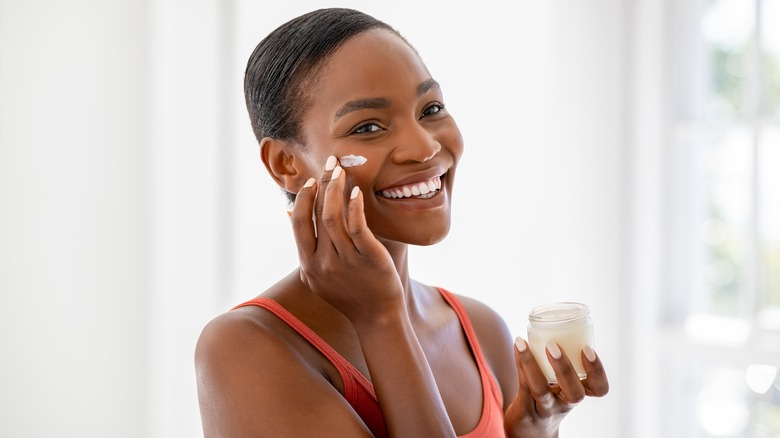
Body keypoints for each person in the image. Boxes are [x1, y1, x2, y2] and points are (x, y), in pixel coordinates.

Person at [195, 7, 609, 437]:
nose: (424, 147)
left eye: (430, 109)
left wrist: (533, 426)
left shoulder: (480, 331)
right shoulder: (245, 348)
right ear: (286, 163)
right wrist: (381, 320)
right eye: (369, 126)